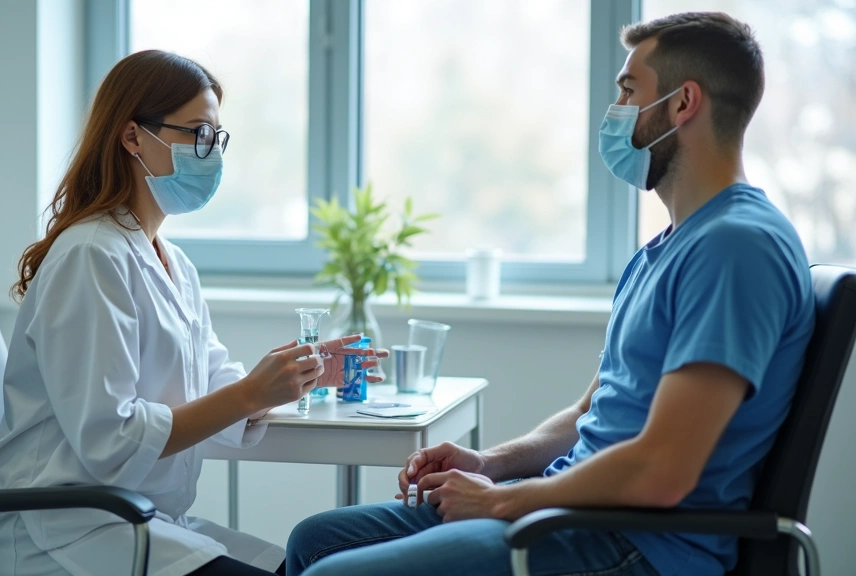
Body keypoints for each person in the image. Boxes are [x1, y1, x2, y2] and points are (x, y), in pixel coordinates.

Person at [286, 12, 815, 576]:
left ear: (684, 104)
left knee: (331, 573)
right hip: (578, 511)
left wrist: (501, 501)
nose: (616, 111)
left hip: (638, 542)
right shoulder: (672, 246)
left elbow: (664, 472)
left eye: (629, 90)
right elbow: (592, 410)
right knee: (316, 541)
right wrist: (489, 465)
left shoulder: (735, 249)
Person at [0, 50, 387, 576]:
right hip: (62, 533)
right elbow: (109, 443)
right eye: (197, 133)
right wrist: (251, 393)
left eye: (216, 137)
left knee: (302, 564)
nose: (210, 153)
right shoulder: (90, 255)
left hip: (138, 522)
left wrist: (294, 376)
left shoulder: (172, 261)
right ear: (132, 137)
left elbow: (209, 381)